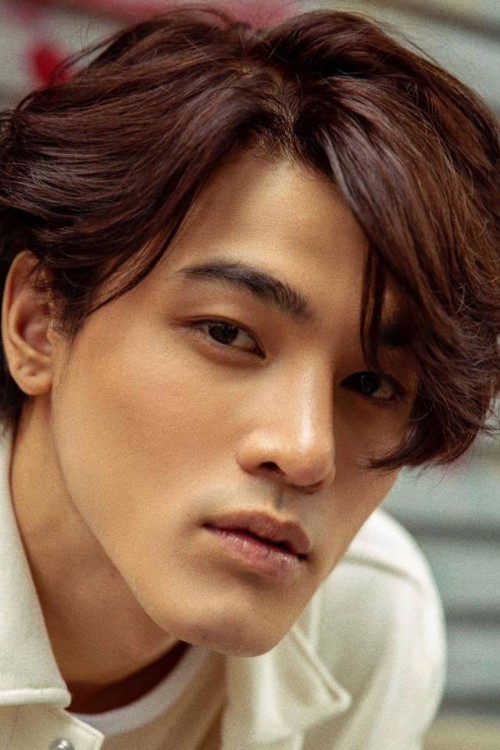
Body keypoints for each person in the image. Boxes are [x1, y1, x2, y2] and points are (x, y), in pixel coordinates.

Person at [0, 4, 498, 749]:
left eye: (370, 385)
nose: (305, 450)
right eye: (228, 334)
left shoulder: (366, 624)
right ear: (38, 323)